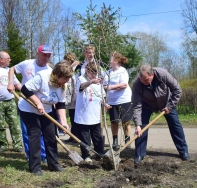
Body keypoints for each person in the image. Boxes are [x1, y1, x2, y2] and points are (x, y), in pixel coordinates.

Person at [16, 62, 73, 175]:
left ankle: (54, 164)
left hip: (46, 110)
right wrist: (37, 102)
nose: (67, 81)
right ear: (57, 75)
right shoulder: (42, 76)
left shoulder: (63, 86)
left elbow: (60, 104)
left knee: (51, 136)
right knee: (35, 136)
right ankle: (35, 167)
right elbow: (25, 89)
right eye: (65, 78)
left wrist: (63, 122)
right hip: (29, 109)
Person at [132, 64, 190, 164]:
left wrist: (170, 106)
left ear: (152, 75)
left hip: (166, 103)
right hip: (147, 105)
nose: (143, 82)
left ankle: (183, 151)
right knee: (141, 128)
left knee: (175, 125)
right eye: (141, 80)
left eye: (146, 80)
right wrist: (138, 124)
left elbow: (177, 90)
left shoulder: (162, 74)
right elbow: (136, 105)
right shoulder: (137, 84)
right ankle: (139, 154)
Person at [7, 44, 53, 162]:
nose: (46, 58)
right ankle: (31, 155)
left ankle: (43, 155)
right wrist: (11, 83)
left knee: (42, 132)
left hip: (42, 105)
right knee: (28, 132)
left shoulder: (49, 70)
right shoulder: (27, 63)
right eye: (44, 55)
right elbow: (12, 69)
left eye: (49, 56)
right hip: (26, 103)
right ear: (38, 53)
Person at [74, 62, 110, 162]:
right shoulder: (81, 79)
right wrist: (91, 82)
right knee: (85, 138)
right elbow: (81, 87)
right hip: (83, 116)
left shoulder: (99, 83)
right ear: (87, 71)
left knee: (97, 137)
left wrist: (105, 104)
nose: (94, 74)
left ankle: (100, 153)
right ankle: (86, 156)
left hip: (95, 116)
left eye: (96, 72)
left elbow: (101, 96)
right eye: (92, 72)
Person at [103, 52, 132, 149]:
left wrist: (110, 87)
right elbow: (103, 86)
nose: (109, 61)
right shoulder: (107, 73)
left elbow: (124, 85)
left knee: (125, 121)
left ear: (116, 60)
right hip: (112, 101)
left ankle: (127, 140)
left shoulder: (122, 71)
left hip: (124, 99)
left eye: (111, 59)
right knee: (114, 121)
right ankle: (115, 140)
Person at [0, 51, 23, 152]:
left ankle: (17, 145)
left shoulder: (10, 71)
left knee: (15, 123)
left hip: (10, 101)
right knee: (0, 125)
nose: (10, 60)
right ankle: (3, 145)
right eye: (8, 58)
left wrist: (27, 92)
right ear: (1, 59)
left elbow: (17, 84)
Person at [62, 53, 80, 142]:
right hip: (69, 96)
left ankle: (76, 137)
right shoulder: (68, 68)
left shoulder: (76, 68)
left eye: (66, 60)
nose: (65, 62)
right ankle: (73, 136)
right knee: (71, 116)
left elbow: (76, 83)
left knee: (74, 117)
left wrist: (76, 98)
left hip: (75, 96)